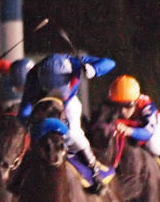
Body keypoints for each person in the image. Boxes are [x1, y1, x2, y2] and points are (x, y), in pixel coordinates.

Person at [17, 52, 115, 192]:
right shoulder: (33, 77)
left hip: (68, 103)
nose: (59, 92)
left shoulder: (75, 63)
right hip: (44, 106)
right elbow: (25, 109)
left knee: (73, 133)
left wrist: (94, 69)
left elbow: (109, 62)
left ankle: (94, 171)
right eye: (54, 89)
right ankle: (20, 177)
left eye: (62, 87)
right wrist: (28, 124)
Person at [106, 74, 160, 191]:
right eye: (118, 106)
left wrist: (128, 131)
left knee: (153, 145)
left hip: (156, 125)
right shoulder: (112, 105)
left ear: (135, 101)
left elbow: (148, 133)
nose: (122, 111)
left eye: (127, 106)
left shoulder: (146, 105)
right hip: (135, 126)